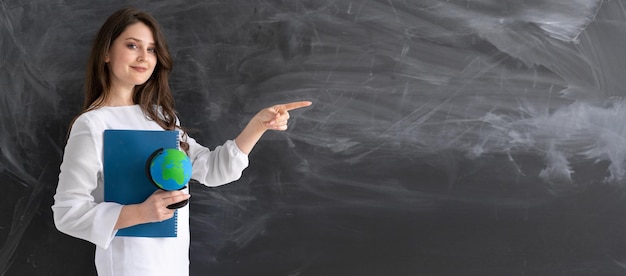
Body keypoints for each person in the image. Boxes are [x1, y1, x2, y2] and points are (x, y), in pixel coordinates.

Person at [52, 7, 311, 276]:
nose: (144, 57)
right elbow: (68, 213)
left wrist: (258, 125)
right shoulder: (93, 124)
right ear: (106, 52)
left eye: (152, 49)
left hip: (173, 265)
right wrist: (140, 213)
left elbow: (211, 170)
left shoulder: (162, 117)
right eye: (132, 46)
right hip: (129, 266)